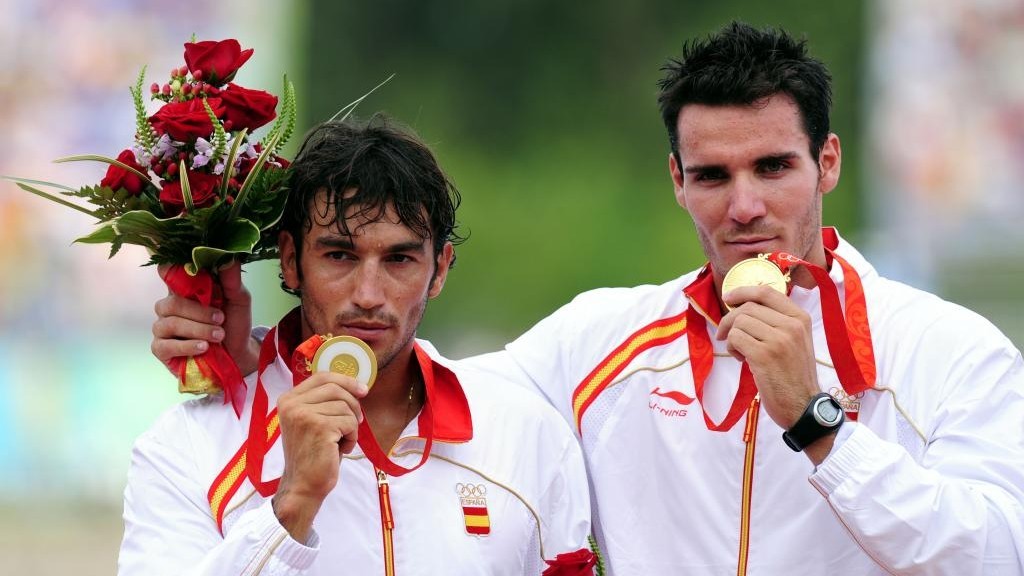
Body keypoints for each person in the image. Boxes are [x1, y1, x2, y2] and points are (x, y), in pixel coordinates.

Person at [151, 22, 1024, 575]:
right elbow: (415, 379)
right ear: (676, 180)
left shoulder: (948, 350)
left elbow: (997, 554)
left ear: (827, 162)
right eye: (712, 174)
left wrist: (820, 424)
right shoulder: (602, 341)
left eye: (773, 167)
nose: (744, 206)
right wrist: (244, 345)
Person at [121, 117, 595, 575]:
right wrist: (293, 504)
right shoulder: (185, 448)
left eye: (399, 259)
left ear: (439, 269)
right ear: (290, 261)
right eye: (340, 255)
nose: (368, 295)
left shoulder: (527, 436)